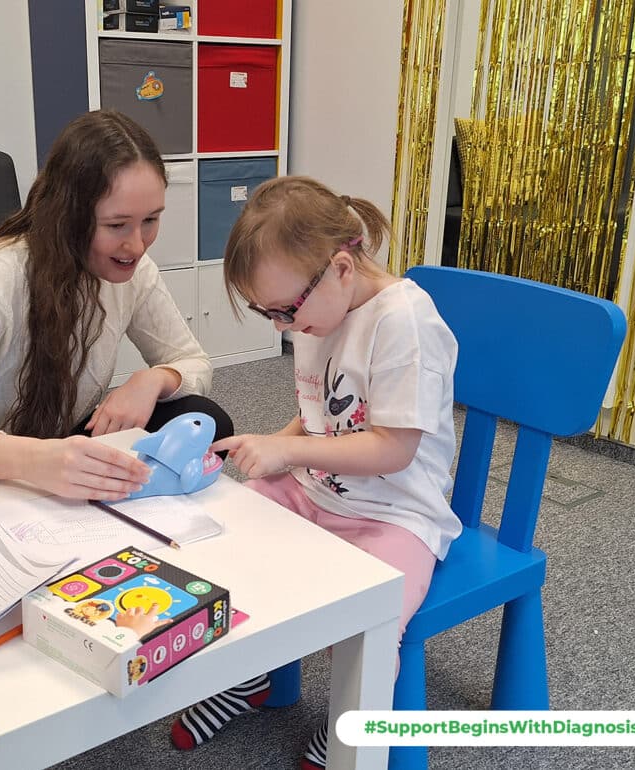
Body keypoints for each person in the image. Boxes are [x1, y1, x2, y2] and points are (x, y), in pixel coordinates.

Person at [168, 176, 462, 769]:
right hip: (318, 491)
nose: (282, 326)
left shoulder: (404, 322)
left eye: (285, 310)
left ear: (341, 268)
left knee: (366, 623)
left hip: (395, 514)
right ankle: (247, 678)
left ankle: (352, 720)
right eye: (267, 312)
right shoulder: (318, 315)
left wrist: (290, 455)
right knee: (225, 546)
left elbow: (392, 450)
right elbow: (319, 416)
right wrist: (274, 443)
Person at [0, 109, 232, 499]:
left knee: (207, 420)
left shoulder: (136, 273)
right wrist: (32, 460)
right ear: (68, 215)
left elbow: (192, 361)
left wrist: (154, 380)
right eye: (116, 225)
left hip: (66, 442)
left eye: (151, 220)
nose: (137, 245)